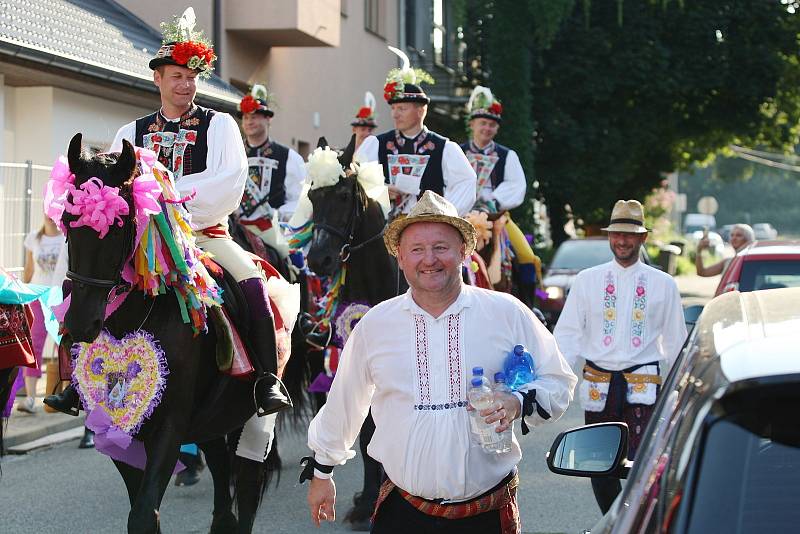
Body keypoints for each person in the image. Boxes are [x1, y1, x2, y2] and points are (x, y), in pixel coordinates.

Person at [45, 8, 290, 418]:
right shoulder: (130, 133)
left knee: (251, 282)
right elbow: (111, 192)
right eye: (176, 75)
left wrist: (169, 202)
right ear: (157, 78)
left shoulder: (220, 125)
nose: (185, 84)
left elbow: (229, 181)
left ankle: (266, 380)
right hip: (142, 245)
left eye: (192, 76)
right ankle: (75, 381)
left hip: (205, 236)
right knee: (86, 283)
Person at [303, 190, 576, 533]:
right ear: (400, 258)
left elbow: (558, 380)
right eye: (416, 249)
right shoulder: (375, 325)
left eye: (441, 247)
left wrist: (517, 401)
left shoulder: (507, 313)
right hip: (403, 514)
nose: (428, 259)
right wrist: (322, 472)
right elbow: (345, 402)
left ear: (464, 251)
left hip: (487, 515)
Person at [553, 200, 687, 514]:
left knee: (643, 464)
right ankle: (616, 522)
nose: (622, 241)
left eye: (630, 235)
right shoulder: (587, 280)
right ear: (609, 237)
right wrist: (555, 384)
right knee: (599, 464)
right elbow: (568, 335)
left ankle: (636, 521)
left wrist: (681, 392)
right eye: (616, 234)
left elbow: (676, 341)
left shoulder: (664, 284)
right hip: (599, 383)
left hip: (644, 383)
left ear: (643, 238)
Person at [356, 47, 476, 218]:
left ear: (421, 111)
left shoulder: (444, 148)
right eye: (394, 108)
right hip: (382, 233)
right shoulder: (375, 144)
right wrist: (380, 191)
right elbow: (356, 180)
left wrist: (442, 215)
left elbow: (466, 182)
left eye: (402, 109)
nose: (395, 114)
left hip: (427, 234)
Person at [237, 83, 306, 225]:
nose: (249, 121)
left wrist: (277, 214)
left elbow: (298, 199)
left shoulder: (288, 157)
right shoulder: (233, 153)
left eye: (254, 117)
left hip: (273, 230)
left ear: (268, 119)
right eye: (246, 117)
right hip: (235, 229)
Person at [16, 215, 64, 414]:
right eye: (47, 213)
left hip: (59, 298)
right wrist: (22, 297)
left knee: (62, 346)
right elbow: (29, 269)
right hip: (37, 296)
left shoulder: (66, 238)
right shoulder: (33, 238)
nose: (50, 218)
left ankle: (63, 395)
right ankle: (30, 398)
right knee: (33, 345)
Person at [460, 86, 526, 212]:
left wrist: (492, 203)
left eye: (492, 125)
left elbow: (516, 185)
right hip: (460, 214)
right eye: (483, 123)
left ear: (497, 129)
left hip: (494, 215)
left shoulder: (507, 156)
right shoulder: (458, 152)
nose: (487, 128)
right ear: (472, 124)